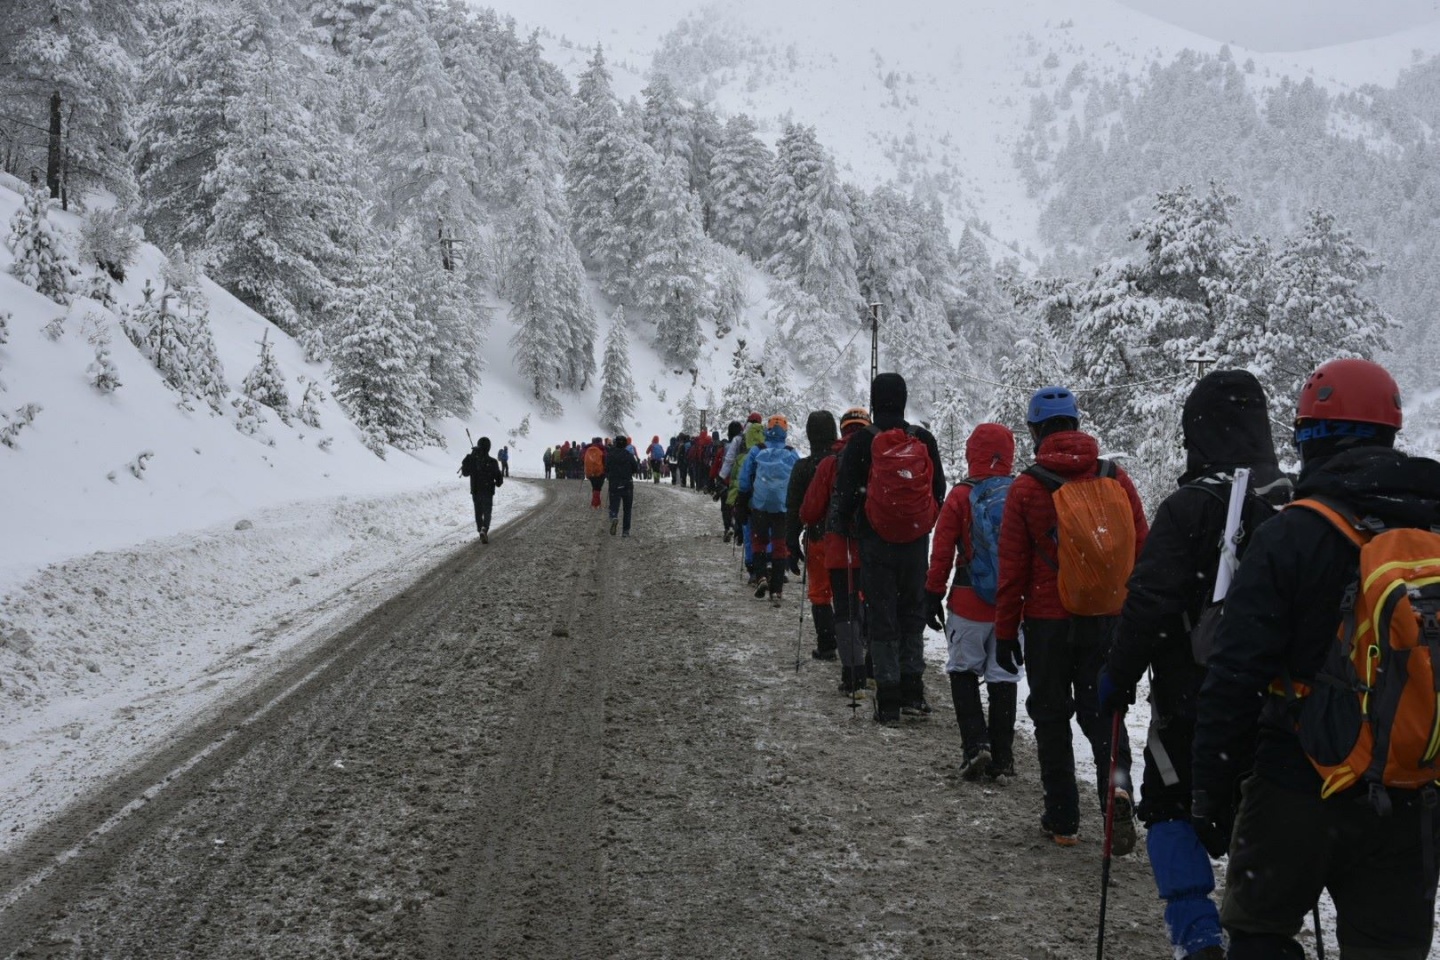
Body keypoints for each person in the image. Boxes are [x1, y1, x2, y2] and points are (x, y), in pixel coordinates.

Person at [1191, 359, 1440, 960]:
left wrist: (1211, 793)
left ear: (1311, 438)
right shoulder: (1432, 528)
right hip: (1409, 791)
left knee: (1259, 934)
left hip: (1298, 779)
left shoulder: (1293, 534)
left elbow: (1235, 674)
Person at [1095, 371, 1288, 960]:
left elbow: (1149, 603)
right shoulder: (1295, 502)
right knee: (1260, 812)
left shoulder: (1190, 506)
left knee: (1168, 806)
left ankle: (1198, 935)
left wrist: (1118, 676)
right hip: (1279, 699)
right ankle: (1259, 934)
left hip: (1190, 697)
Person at [994, 385, 1147, 849]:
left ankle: (1062, 820)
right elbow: (1142, 548)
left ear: (1035, 430)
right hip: (1106, 617)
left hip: (1048, 622)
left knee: (1051, 715)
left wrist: (1006, 631)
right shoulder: (1115, 477)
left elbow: (1012, 568)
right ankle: (1117, 789)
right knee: (1106, 713)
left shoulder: (1027, 487)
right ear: (1076, 425)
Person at [832, 374, 946, 722]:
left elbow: (845, 493)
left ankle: (889, 699)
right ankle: (913, 691)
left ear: (874, 400)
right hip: (915, 542)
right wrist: (920, 522)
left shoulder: (862, 441)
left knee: (881, 617)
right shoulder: (922, 439)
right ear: (904, 399)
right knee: (911, 614)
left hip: (875, 542)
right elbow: (939, 489)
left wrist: (850, 524)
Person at [926, 423, 1021, 781]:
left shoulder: (960, 496)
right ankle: (1004, 756)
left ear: (971, 453)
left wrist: (933, 593)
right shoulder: (1020, 492)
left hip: (968, 601)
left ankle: (975, 745)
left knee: (963, 671)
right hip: (1011, 606)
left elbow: (942, 551)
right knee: (1003, 676)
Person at [803, 407, 872, 693]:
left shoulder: (830, 463)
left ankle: (852, 674)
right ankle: (875, 666)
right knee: (871, 605)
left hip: (840, 548)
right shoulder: (880, 457)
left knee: (845, 610)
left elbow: (810, 511)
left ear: (842, 431)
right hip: (875, 548)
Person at [787, 411, 840, 659]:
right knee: (852, 591)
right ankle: (856, 642)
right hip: (846, 540)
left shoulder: (803, 467)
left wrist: (791, 543)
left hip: (817, 538)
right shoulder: (844, 462)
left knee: (820, 592)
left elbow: (794, 508)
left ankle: (827, 645)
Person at [738, 414, 801, 604]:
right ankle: (777, 591)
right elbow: (798, 478)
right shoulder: (791, 453)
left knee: (759, 542)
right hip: (781, 507)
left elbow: (745, 477)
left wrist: (742, 500)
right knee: (779, 546)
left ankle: (761, 577)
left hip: (759, 504)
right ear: (785, 432)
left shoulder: (757, 450)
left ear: (768, 430)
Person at [459, 436, 503, 544]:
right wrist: (497, 482)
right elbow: (499, 480)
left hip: (476, 490)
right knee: (487, 512)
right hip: (488, 491)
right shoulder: (492, 462)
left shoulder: (473, 460)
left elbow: (465, 473)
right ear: (489, 448)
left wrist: (468, 458)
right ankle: (484, 529)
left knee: (478, 512)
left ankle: (480, 529)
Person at [606, 433, 640, 537]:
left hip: (614, 484)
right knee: (627, 509)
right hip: (627, 484)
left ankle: (614, 516)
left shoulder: (610, 455)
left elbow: (606, 468)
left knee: (614, 505)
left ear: (615, 443)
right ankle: (625, 531)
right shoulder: (629, 455)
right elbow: (635, 468)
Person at [584, 436, 606, 508]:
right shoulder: (602, 449)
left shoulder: (588, 449)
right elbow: (606, 459)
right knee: (598, 487)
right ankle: (596, 503)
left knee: (594, 487)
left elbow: (583, 458)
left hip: (590, 471)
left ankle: (595, 502)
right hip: (600, 471)